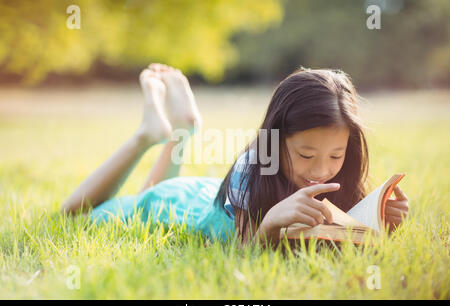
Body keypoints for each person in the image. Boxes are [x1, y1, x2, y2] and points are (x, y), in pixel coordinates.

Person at [61, 64, 409, 248]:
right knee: (76, 213)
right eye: (305, 154)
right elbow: (245, 251)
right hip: (184, 205)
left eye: (335, 155)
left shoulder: (340, 170)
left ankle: (182, 129)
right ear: (274, 140)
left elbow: (343, 234)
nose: (321, 170)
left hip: (207, 194)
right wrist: (272, 221)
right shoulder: (252, 168)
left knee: (154, 191)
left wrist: (380, 219)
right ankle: (147, 135)